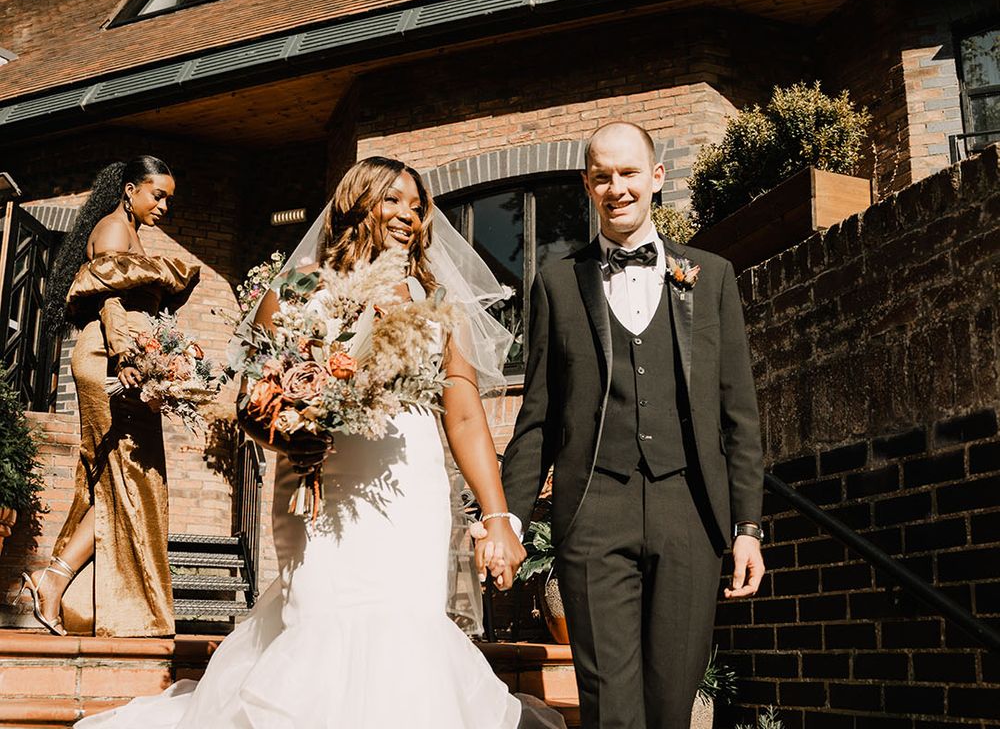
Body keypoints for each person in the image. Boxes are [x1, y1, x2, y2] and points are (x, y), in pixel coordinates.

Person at [75, 156, 564, 729]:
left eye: (417, 205)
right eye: (393, 200)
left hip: (409, 488)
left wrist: (499, 514)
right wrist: (294, 430)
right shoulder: (298, 290)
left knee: (404, 622)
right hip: (318, 487)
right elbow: (249, 400)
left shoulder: (433, 301)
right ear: (358, 203)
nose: (409, 215)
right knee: (321, 614)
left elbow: (463, 415)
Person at [502, 121, 766, 729]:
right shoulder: (557, 283)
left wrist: (747, 527)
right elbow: (537, 416)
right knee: (612, 710)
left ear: (656, 178)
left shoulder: (713, 276)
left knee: (672, 705)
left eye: (627, 173)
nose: (616, 187)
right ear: (587, 186)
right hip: (594, 511)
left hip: (690, 511)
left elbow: (739, 415)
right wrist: (508, 518)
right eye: (602, 176)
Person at [24, 156, 198, 637]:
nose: (164, 205)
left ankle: (63, 588)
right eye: (157, 194)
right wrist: (127, 357)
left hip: (119, 357)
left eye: (169, 198)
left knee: (125, 483)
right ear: (129, 189)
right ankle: (53, 581)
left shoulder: (127, 231)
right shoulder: (115, 231)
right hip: (109, 359)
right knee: (130, 482)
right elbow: (109, 299)